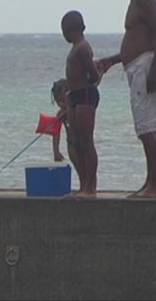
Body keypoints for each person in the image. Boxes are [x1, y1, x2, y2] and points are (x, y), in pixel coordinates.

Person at [97, 0, 156, 199]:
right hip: (140, 66)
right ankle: (150, 181)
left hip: (147, 67)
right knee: (144, 127)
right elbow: (137, 42)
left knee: (147, 127)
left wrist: (152, 71)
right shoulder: (136, 1)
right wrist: (111, 60)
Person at [60, 11, 101, 197]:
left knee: (86, 141)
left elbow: (92, 75)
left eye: (66, 31)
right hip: (74, 96)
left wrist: (97, 75)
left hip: (85, 95)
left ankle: (90, 186)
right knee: (76, 142)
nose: (65, 35)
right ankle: (84, 183)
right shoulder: (75, 47)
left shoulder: (83, 47)